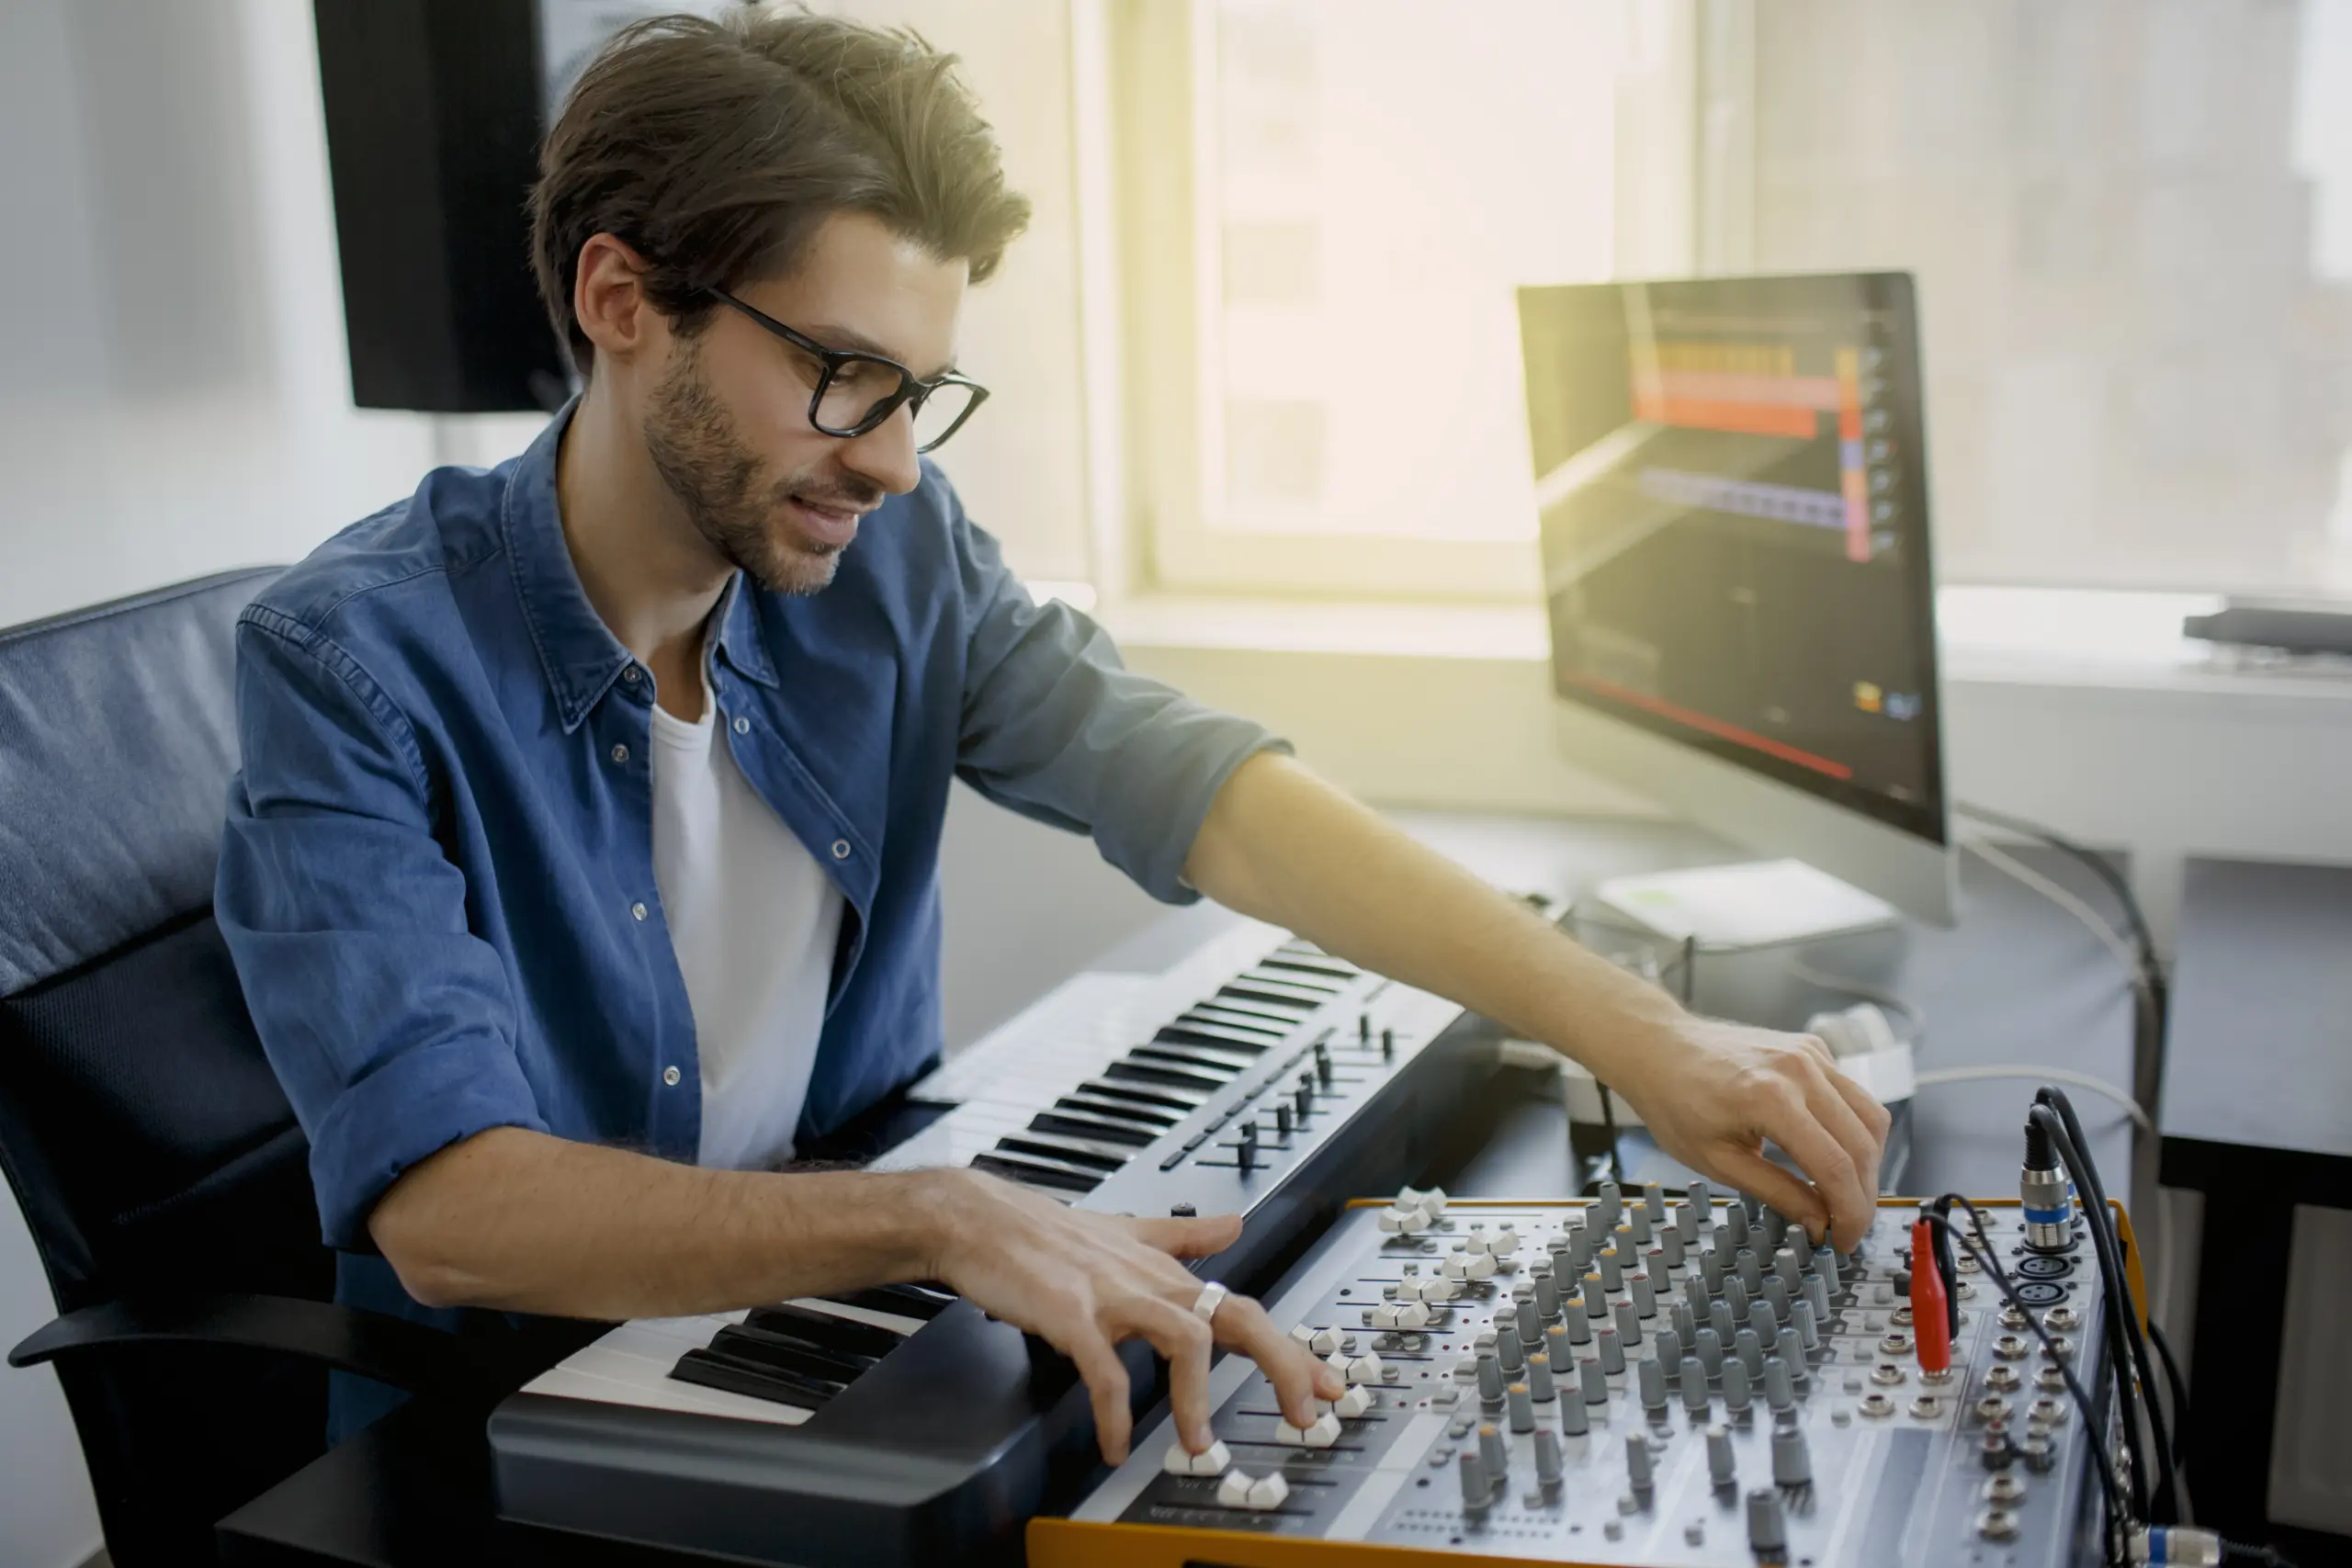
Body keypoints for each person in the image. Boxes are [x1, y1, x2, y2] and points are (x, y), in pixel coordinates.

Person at [217, 6, 1887, 1462]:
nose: (890, 461)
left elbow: (1205, 787)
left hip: (840, 1339)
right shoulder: (349, 661)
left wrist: (1643, 1034)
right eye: (846, 374)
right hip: (518, 1439)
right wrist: (939, 1217)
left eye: (922, 392)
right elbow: (449, 1211)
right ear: (621, 297)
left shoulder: (885, 558)